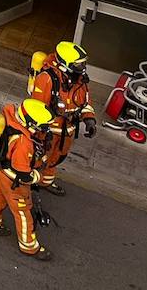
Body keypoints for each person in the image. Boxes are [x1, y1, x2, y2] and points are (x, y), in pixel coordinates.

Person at [0, 97, 54, 261]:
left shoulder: (14, 124)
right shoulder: (24, 143)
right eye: (43, 127)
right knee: (23, 212)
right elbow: (23, 172)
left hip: (2, 173)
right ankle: (29, 246)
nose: (45, 130)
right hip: (14, 181)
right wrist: (37, 177)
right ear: (32, 124)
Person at [30, 41, 96, 196]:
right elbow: (37, 108)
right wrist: (41, 131)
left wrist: (89, 119)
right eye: (79, 65)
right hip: (49, 131)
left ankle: (46, 182)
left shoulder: (80, 81)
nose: (83, 68)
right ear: (65, 64)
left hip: (67, 131)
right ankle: (29, 185)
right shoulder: (47, 79)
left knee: (56, 159)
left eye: (83, 64)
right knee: (39, 159)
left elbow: (85, 101)